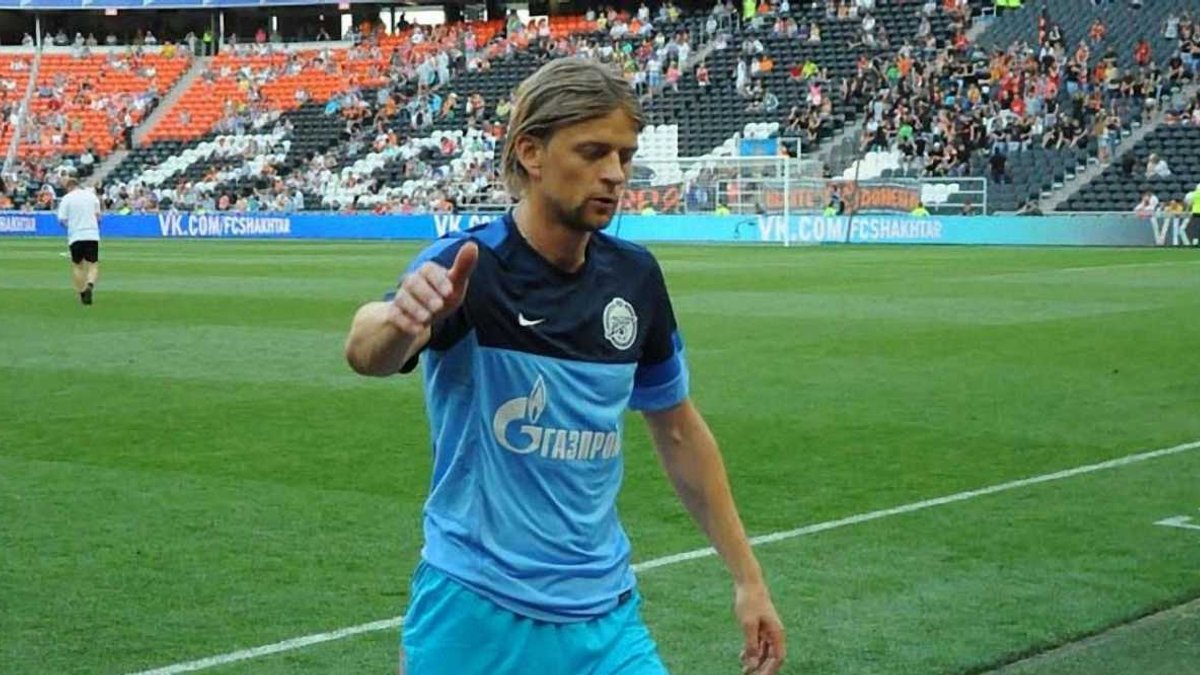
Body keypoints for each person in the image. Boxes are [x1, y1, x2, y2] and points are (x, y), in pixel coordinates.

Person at [344, 59, 786, 675]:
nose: (615, 174)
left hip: (606, 619)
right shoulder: (470, 265)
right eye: (593, 152)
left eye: (624, 156)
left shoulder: (635, 278)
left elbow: (679, 431)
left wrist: (748, 579)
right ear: (531, 152)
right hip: (475, 613)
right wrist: (398, 321)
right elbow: (366, 349)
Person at [57, 177, 102, 305]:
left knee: (78, 265)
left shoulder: (67, 199)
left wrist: (70, 227)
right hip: (91, 234)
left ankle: (82, 293)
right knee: (93, 264)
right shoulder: (91, 196)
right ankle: (90, 284)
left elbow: (62, 220)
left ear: (68, 187)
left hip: (76, 235)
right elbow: (98, 217)